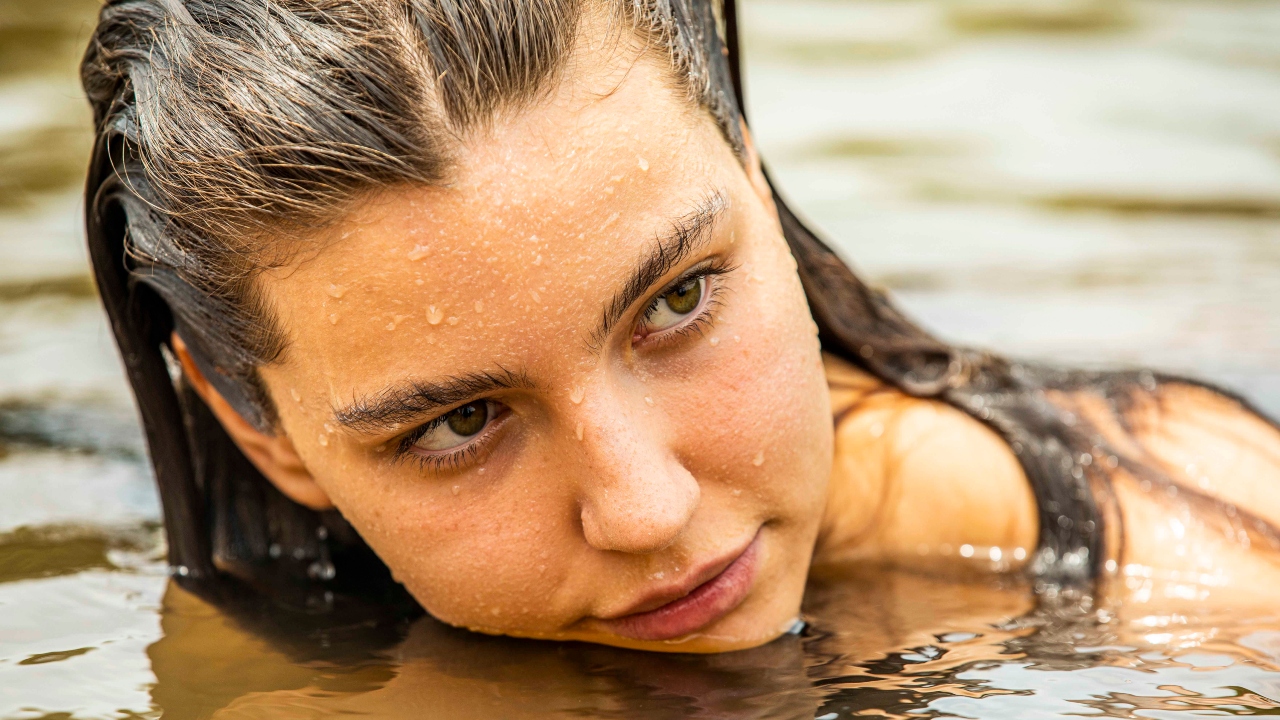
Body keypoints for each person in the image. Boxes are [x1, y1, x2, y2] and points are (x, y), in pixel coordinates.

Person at [80, 0, 1280, 654]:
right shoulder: (237, 617)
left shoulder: (1207, 592)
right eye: (459, 422)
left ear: (751, 176)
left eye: (677, 300)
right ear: (259, 426)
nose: (647, 511)